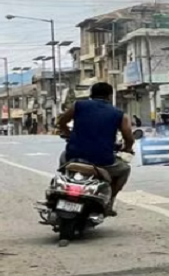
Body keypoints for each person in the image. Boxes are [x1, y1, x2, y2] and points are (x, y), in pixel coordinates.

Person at [56, 82, 134, 214]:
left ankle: (62, 188)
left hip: (74, 155)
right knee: (125, 169)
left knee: (63, 161)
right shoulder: (119, 114)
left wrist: (68, 134)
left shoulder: (78, 105)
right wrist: (127, 148)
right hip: (103, 160)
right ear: (110, 96)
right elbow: (129, 138)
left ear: (91, 93)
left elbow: (61, 122)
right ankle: (109, 201)